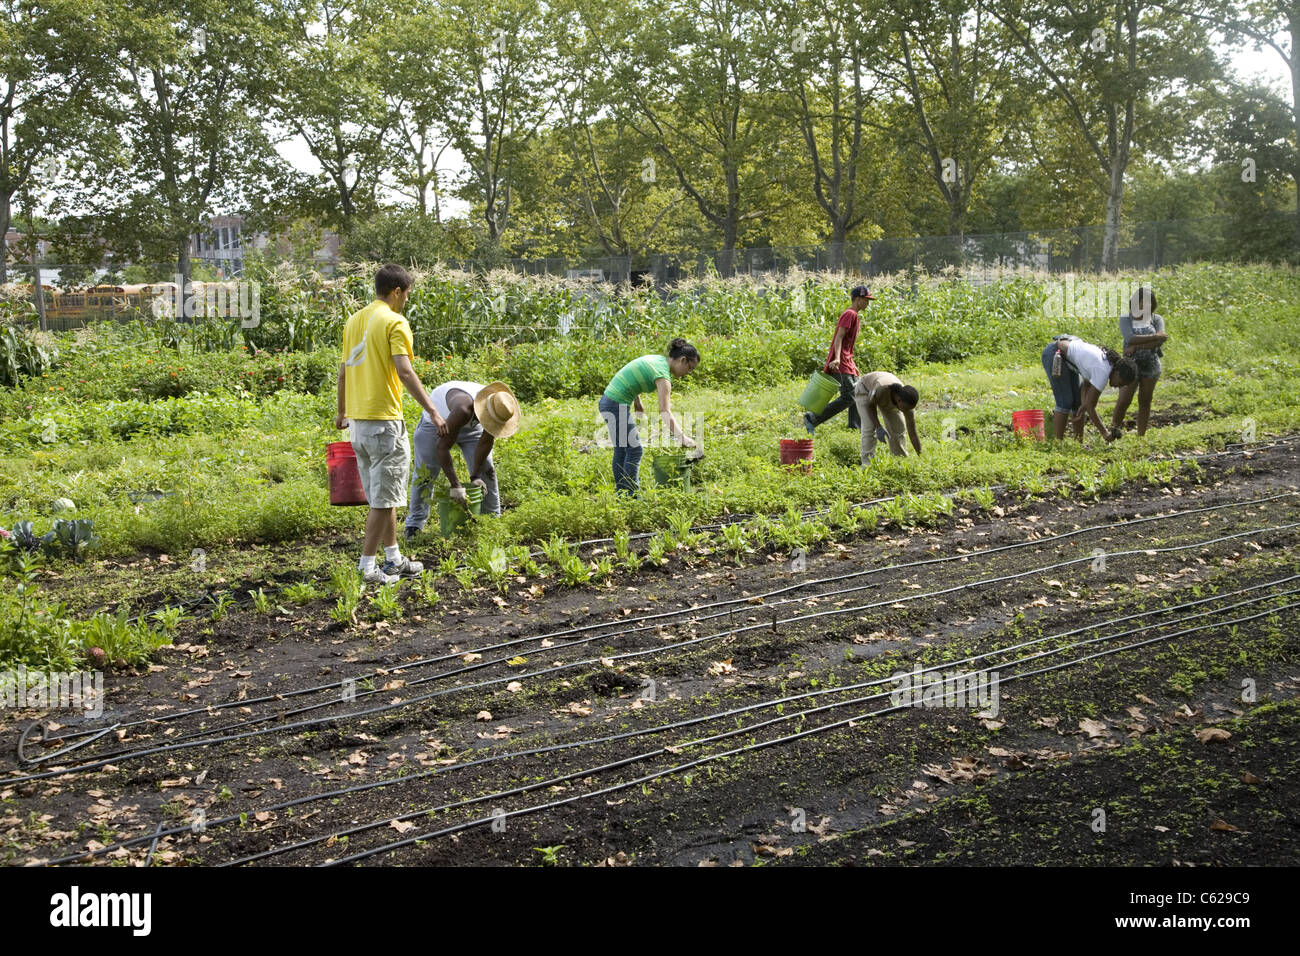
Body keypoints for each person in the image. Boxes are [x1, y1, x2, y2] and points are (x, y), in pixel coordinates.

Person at [335, 263, 446, 584]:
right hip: (384, 422)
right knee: (385, 500)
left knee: (385, 495)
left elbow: (343, 371)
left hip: (358, 423)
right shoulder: (395, 322)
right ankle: (367, 568)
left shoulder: (354, 321)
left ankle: (393, 558)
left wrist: (342, 412)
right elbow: (405, 371)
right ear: (397, 291)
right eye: (407, 294)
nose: (407, 300)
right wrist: (433, 411)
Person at [406, 381, 521, 537]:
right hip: (436, 425)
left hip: (472, 425)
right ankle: (414, 525)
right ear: (485, 414)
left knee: (487, 470)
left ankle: (492, 521)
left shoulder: (497, 409)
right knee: (425, 474)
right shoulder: (463, 408)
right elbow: (442, 446)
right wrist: (456, 485)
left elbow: (486, 441)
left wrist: (475, 475)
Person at [599, 338, 699, 494]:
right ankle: (632, 496)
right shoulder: (663, 376)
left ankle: (623, 495)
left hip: (610, 400)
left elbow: (634, 375)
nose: (688, 373)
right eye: (690, 368)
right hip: (615, 403)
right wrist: (682, 437)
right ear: (683, 360)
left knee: (622, 450)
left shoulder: (658, 361)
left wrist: (636, 400)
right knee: (635, 450)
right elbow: (664, 411)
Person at [804, 284, 874, 434]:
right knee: (850, 396)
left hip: (846, 360)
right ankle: (812, 418)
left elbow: (847, 345)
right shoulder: (850, 314)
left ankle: (855, 426)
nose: (867, 303)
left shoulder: (854, 315)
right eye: (865, 299)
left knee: (860, 392)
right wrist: (836, 359)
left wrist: (852, 365)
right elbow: (839, 337)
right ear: (857, 299)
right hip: (840, 362)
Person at [1041, 334, 1138, 442]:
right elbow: (1091, 408)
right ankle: (1057, 444)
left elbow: (1086, 385)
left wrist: (1083, 404)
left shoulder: (1107, 365)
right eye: (1121, 383)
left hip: (1066, 357)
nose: (1118, 387)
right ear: (1118, 373)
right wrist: (1105, 433)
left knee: (1077, 403)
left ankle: (1078, 443)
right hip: (1055, 353)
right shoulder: (1103, 371)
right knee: (1065, 401)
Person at [1111, 286, 1169, 437]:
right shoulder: (1126, 318)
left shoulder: (1156, 319)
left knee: (1145, 401)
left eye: (1148, 303)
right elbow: (1129, 338)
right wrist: (1154, 337)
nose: (1144, 306)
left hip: (1151, 365)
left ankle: (1141, 435)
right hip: (1131, 366)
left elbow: (1160, 341)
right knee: (1124, 400)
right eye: (1141, 303)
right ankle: (1112, 432)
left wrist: (1137, 346)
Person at [854, 371, 922, 464]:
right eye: (905, 409)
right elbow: (871, 406)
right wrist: (878, 427)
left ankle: (900, 460)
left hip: (887, 397)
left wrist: (920, 455)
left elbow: (913, 433)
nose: (906, 411)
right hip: (865, 389)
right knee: (869, 427)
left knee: (898, 428)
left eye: (908, 409)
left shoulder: (907, 404)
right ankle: (867, 464)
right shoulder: (881, 389)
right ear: (899, 400)